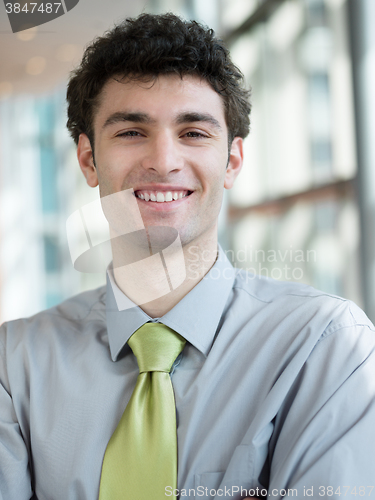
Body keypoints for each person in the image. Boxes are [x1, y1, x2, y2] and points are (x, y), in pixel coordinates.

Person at [1, 12, 375, 500]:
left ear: (231, 162)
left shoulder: (324, 347)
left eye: (194, 133)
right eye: (132, 132)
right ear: (89, 160)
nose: (164, 160)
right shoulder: (15, 365)